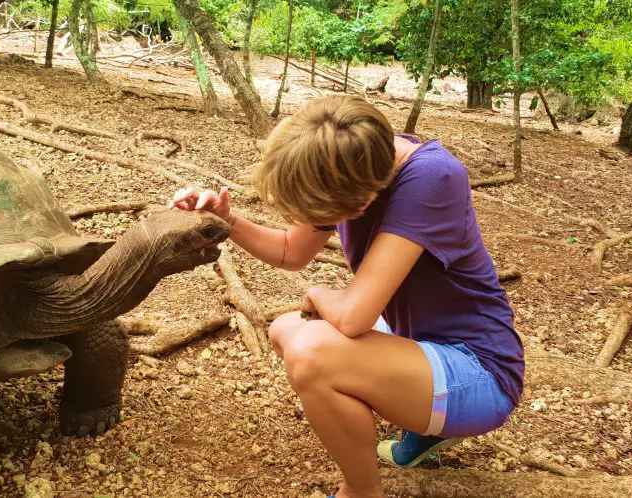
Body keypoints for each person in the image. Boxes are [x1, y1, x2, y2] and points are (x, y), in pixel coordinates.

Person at [168, 95, 523, 498]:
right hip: (421, 344)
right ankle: (427, 426)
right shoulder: (354, 160)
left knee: (312, 353)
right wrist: (227, 219)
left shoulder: (433, 178)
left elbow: (353, 316)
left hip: (481, 372)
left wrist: (319, 292)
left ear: (362, 203)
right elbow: (291, 251)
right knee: (288, 330)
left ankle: (362, 491)